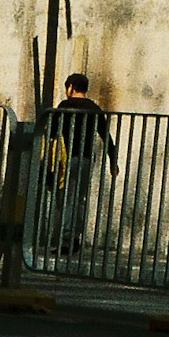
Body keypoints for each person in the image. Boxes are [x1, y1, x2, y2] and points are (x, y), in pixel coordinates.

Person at [38, 71, 117, 259]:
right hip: (86, 159)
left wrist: (45, 162)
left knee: (65, 199)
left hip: (66, 159)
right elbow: (106, 135)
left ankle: (67, 240)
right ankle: (74, 236)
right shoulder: (94, 108)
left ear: (71, 88)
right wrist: (113, 161)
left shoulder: (65, 106)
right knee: (78, 199)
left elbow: (53, 134)